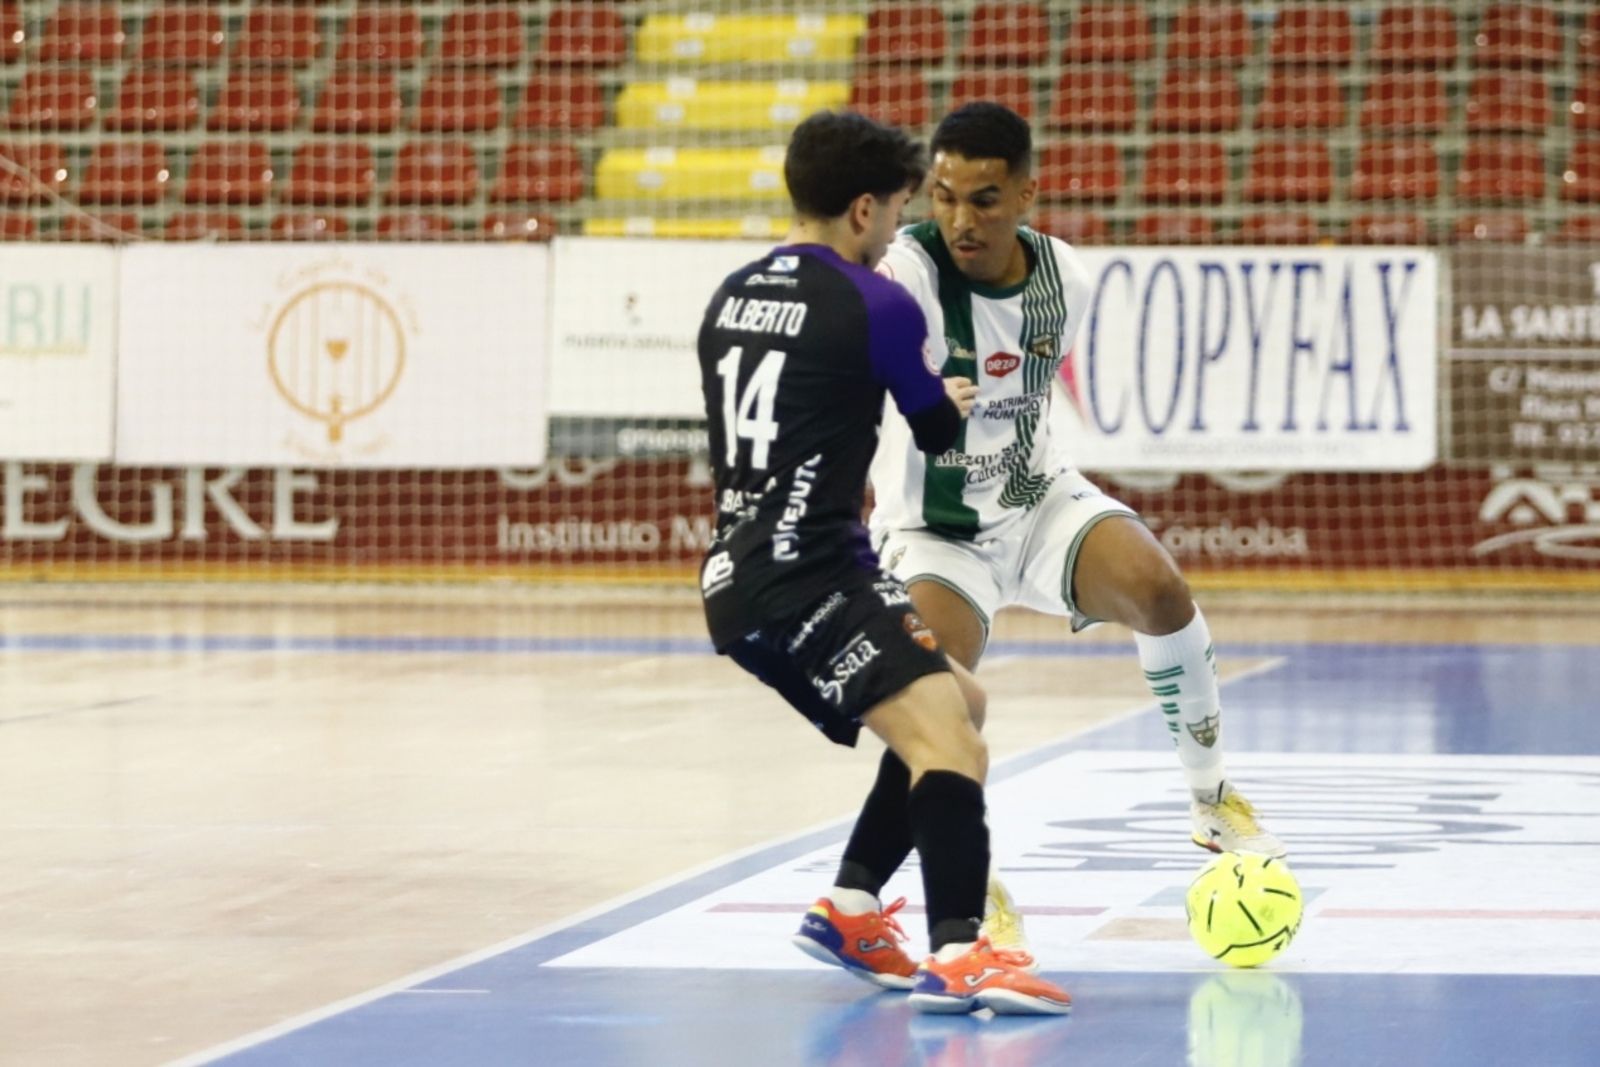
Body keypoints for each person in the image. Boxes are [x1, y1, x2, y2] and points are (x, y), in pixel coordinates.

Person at [809, 102, 1287, 974]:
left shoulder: (1061, 273)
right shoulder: (909, 271)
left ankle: (1212, 796)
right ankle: (966, 883)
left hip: (1035, 503)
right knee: (940, 696)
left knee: (1161, 590)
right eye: (945, 196)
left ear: (1028, 193)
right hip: (933, 530)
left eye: (985, 199)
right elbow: (849, 295)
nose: (961, 218)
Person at [698, 110, 1071, 1016]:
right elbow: (939, 435)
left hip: (735, 576)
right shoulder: (878, 302)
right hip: (812, 574)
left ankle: (852, 905)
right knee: (953, 743)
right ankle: (961, 952)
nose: (906, 230)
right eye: (903, 209)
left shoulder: (732, 292)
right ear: (864, 208)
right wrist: (940, 392)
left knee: (960, 703)